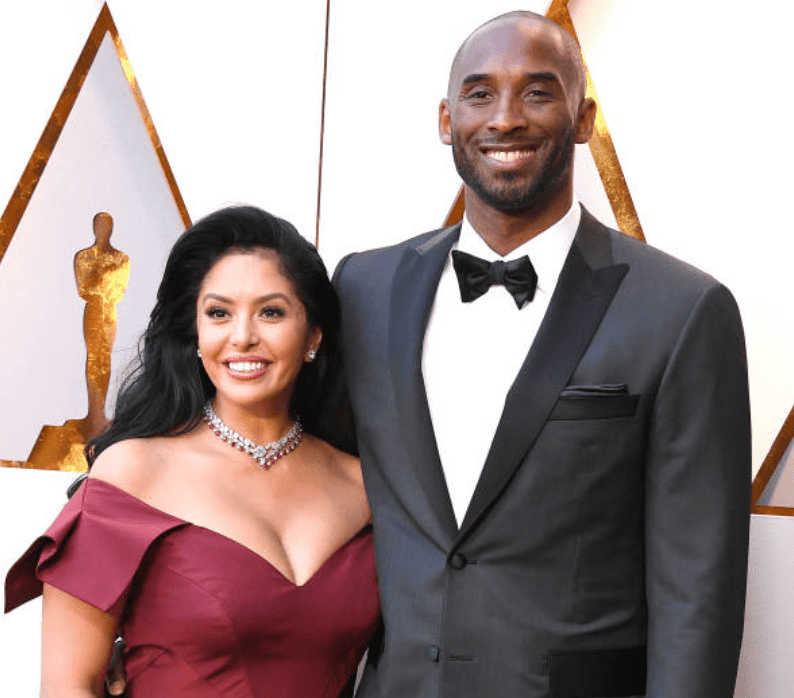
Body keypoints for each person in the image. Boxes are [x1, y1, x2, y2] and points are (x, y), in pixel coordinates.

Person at [332, 11, 750, 698]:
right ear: (445, 119)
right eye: (479, 93)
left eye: (537, 92)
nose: (505, 119)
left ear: (584, 118)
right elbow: (294, 471)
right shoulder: (363, 289)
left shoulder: (682, 311)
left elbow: (696, 593)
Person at [5, 206, 379, 697]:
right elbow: (66, 687)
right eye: (218, 313)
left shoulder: (363, 484)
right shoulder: (133, 472)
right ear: (196, 335)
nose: (242, 336)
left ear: (312, 336)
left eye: (271, 311)